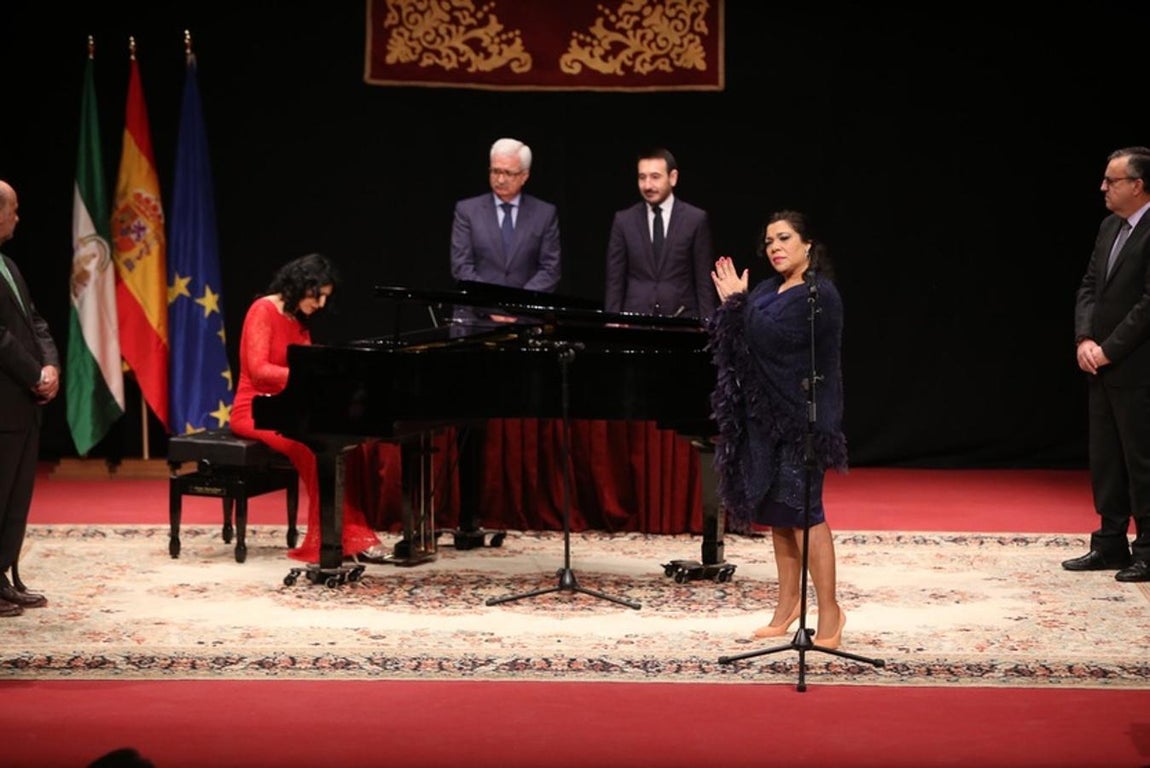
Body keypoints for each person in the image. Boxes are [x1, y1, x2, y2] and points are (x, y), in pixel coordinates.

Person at [708, 210, 848, 648]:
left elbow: (776, 340)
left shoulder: (819, 294)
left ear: (808, 245)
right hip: (766, 421)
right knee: (780, 518)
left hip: (803, 419)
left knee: (806, 515)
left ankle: (830, 612)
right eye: (768, 241)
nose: (774, 247)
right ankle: (786, 607)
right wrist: (739, 305)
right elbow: (743, 338)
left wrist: (737, 303)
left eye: (784, 238)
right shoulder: (768, 289)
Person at [229, 253, 388, 564]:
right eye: (319, 296)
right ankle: (337, 539)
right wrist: (310, 376)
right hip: (255, 409)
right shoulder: (262, 309)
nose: (322, 305)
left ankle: (349, 532)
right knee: (310, 448)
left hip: (290, 407)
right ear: (302, 286)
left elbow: (307, 363)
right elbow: (259, 371)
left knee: (347, 446)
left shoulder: (298, 322)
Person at [448, 138, 561, 538]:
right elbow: (462, 267)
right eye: (495, 171)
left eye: (508, 173)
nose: (500, 179)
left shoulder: (544, 214)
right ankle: (468, 516)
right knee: (471, 427)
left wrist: (516, 306)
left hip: (524, 329)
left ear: (525, 176)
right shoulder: (468, 210)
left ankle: (526, 511)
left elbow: (550, 269)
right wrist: (492, 304)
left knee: (525, 425)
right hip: (476, 329)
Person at [1062, 146, 1150, 583]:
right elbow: (1089, 285)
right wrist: (1085, 339)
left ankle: (1148, 549)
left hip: (1137, 367)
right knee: (1106, 459)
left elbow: (1148, 305)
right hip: (1101, 363)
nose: (1103, 187)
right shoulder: (1108, 227)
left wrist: (1110, 347)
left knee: (1141, 460)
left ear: (1137, 185)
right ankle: (1109, 542)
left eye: (1111, 181)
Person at [0, 179, 60, 617]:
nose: (18, 218)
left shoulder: (9, 265)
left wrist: (51, 366)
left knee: (16, 496)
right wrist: (32, 372)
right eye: (13, 209)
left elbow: (35, 321)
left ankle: (4, 575)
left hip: (24, 402)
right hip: (5, 397)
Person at [604, 147, 716, 319]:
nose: (648, 185)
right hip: (635, 319)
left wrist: (708, 323)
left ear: (673, 177)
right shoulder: (624, 220)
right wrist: (612, 320)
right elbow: (614, 280)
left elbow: (703, 280)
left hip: (682, 318)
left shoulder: (695, 219)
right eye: (642, 178)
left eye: (655, 177)